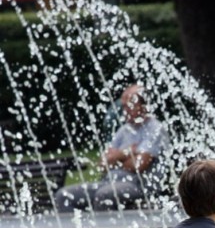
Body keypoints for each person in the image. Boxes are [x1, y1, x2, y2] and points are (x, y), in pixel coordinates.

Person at [55, 84, 169, 212]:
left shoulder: (154, 129)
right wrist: (127, 153)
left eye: (130, 105)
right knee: (63, 196)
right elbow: (102, 164)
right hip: (108, 182)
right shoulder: (123, 130)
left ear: (144, 106)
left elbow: (138, 165)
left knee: (104, 195)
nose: (125, 110)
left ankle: (103, 226)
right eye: (124, 106)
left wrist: (116, 158)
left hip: (139, 185)